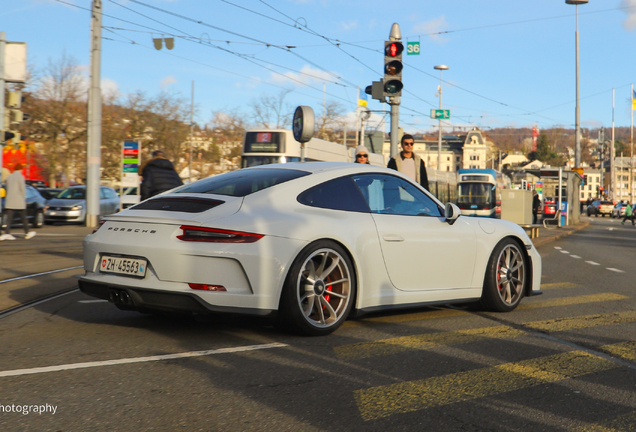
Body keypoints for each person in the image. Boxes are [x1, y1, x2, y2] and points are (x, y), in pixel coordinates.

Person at [0, 164, 36, 241]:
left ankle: (7, 233)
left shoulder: (9, 177)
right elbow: (22, 189)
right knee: (23, 217)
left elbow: (7, 188)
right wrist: (24, 198)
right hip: (18, 201)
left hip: (9, 200)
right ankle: (27, 232)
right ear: (20, 169)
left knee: (9, 218)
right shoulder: (20, 177)